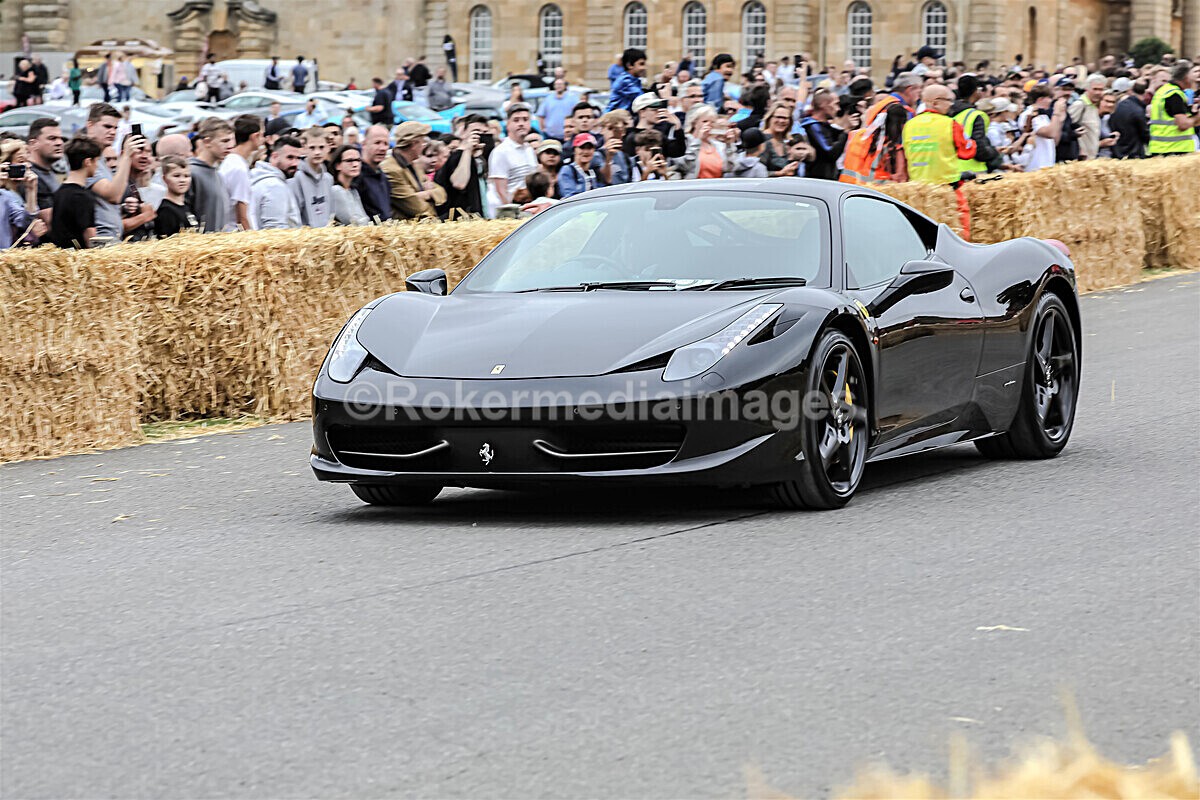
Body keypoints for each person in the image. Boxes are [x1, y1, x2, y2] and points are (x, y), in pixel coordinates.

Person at [84, 103, 141, 244]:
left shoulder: (100, 159)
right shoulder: (85, 157)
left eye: (115, 128)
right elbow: (113, 195)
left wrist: (123, 208)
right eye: (107, 126)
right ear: (90, 125)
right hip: (101, 238)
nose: (112, 132)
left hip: (112, 237)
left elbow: (107, 200)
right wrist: (126, 156)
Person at [902, 84, 978, 185]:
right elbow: (966, 152)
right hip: (946, 183)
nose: (951, 104)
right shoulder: (950, 123)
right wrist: (972, 143)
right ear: (935, 103)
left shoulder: (909, 124)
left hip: (917, 185)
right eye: (949, 100)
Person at [382, 120, 445, 220]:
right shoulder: (391, 170)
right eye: (423, 142)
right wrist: (432, 196)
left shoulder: (415, 165)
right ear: (414, 143)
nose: (424, 146)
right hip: (407, 227)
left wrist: (427, 194)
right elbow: (418, 209)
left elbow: (442, 192)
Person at [49, 136, 102, 249]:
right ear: (88, 162)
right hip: (79, 257)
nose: (97, 166)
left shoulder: (59, 192)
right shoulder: (83, 196)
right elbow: (90, 237)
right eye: (97, 161)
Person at [435, 114, 491, 219]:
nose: (480, 136)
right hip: (457, 219)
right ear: (463, 133)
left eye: (484, 133)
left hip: (477, 218)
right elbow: (459, 183)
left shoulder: (480, 156)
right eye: (476, 132)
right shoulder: (457, 156)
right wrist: (468, 149)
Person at [186, 117, 235, 233]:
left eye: (231, 140)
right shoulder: (191, 173)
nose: (230, 146)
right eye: (224, 141)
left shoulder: (218, 175)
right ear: (207, 142)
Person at [949, 73, 1005, 173]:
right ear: (976, 91)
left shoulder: (947, 112)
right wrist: (994, 152)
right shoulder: (976, 115)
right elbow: (980, 149)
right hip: (972, 170)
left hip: (951, 168)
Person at [217, 115, 262, 231]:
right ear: (255, 136)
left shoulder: (232, 162)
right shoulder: (238, 168)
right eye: (262, 134)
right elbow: (242, 217)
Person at [487, 103, 537, 206]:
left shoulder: (529, 149)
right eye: (516, 120)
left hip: (529, 206)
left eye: (525, 119)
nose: (521, 124)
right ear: (508, 124)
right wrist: (512, 211)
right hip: (512, 208)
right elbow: (500, 191)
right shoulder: (501, 152)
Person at [251, 136, 304, 229]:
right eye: (290, 157)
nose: (295, 163)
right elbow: (275, 230)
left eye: (298, 158)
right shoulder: (274, 186)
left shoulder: (265, 180)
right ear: (274, 157)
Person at [1148, 61, 1198, 156]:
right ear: (1186, 77)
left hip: (1161, 149)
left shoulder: (1164, 90)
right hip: (1173, 151)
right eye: (1193, 74)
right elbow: (1183, 125)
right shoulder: (1174, 95)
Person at [673, 104, 737, 179]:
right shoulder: (685, 141)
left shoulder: (718, 145)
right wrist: (698, 140)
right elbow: (685, 166)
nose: (709, 125)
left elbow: (729, 168)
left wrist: (729, 145)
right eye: (705, 121)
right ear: (694, 123)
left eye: (712, 122)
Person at [798, 90, 849, 180]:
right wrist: (845, 132)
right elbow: (831, 153)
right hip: (815, 180)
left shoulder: (826, 127)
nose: (838, 109)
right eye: (835, 104)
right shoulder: (812, 126)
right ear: (824, 105)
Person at [288, 127, 334, 227]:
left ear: (328, 148)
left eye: (321, 147)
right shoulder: (296, 178)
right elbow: (294, 214)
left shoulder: (328, 179)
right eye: (312, 148)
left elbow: (330, 212)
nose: (317, 152)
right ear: (304, 148)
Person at [0, 143, 42, 248]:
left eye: (28, 161)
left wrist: (31, 191)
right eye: (21, 161)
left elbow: (24, 222)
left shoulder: (6, 196)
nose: (28, 166)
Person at [1019, 84, 1067, 171]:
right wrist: (1056, 112)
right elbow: (1049, 133)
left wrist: (1060, 120)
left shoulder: (1043, 116)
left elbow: (1054, 140)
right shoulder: (1029, 115)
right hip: (1035, 165)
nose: (1051, 101)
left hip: (1047, 163)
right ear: (1040, 99)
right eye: (1049, 98)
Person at [117, 134, 156, 241]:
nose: (145, 156)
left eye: (148, 151)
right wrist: (145, 216)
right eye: (139, 151)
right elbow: (111, 226)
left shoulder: (132, 184)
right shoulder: (119, 185)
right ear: (124, 154)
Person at [26, 117, 64, 223]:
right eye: (52, 138)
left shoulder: (50, 171)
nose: (59, 143)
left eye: (60, 138)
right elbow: (49, 220)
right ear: (33, 144)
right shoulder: (30, 177)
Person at [354, 125, 392, 223]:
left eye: (386, 143)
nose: (382, 148)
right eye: (377, 143)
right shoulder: (356, 176)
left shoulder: (383, 177)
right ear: (364, 144)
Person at [154, 156, 199, 238]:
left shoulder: (188, 205)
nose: (182, 180)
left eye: (186, 176)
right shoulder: (166, 210)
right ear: (164, 179)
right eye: (176, 176)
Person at [328, 145, 370, 225]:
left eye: (358, 160)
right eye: (349, 160)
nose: (355, 164)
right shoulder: (336, 190)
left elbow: (365, 219)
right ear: (337, 165)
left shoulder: (353, 190)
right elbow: (352, 221)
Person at [1110, 80, 1151, 158]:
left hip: (1117, 151)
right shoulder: (1138, 110)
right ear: (1146, 92)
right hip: (1134, 153)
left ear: (1131, 91)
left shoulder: (1119, 105)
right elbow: (1145, 134)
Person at [760, 102, 802, 176]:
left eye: (785, 118)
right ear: (770, 118)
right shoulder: (762, 140)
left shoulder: (786, 142)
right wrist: (780, 173)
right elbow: (756, 172)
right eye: (778, 117)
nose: (781, 121)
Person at [558, 133, 602, 197]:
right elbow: (569, 196)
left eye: (589, 148)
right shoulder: (567, 170)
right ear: (574, 150)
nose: (586, 152)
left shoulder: (594, 170)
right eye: (582, 147)